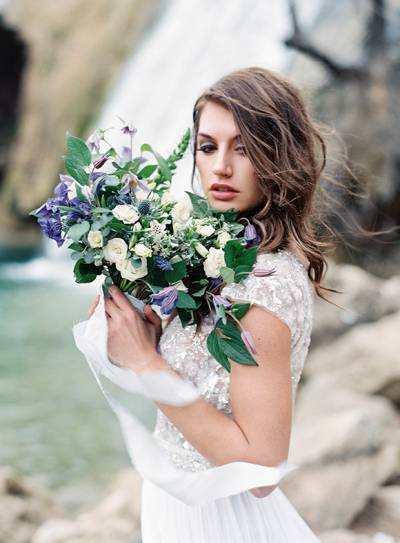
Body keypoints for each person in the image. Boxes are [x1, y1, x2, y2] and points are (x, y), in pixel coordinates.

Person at [87, 66, 327, 542]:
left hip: (224, 524)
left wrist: (146, 361)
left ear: (281, 157)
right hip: (178, 511)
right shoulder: (220, 260)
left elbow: (261, 466)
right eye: (208, 146)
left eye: (245, 148)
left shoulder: (265, 285)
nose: (220, 167)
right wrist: (147, 335)